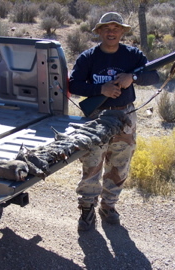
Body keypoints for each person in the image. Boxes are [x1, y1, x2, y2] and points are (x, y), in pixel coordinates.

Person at [69, 12, 160, 231]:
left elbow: (153, 76)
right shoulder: (88, 57)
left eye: (116, 28)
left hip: (125, 116)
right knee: (92, 163)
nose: (111, 32)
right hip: (96, 118)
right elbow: (73, 85)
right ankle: (87, 208)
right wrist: (100, 89)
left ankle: (108, 205)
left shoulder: (133, 55)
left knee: (119, 163)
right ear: (99, 31)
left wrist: (133, 77)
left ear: (122, 32)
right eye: (107, 28)